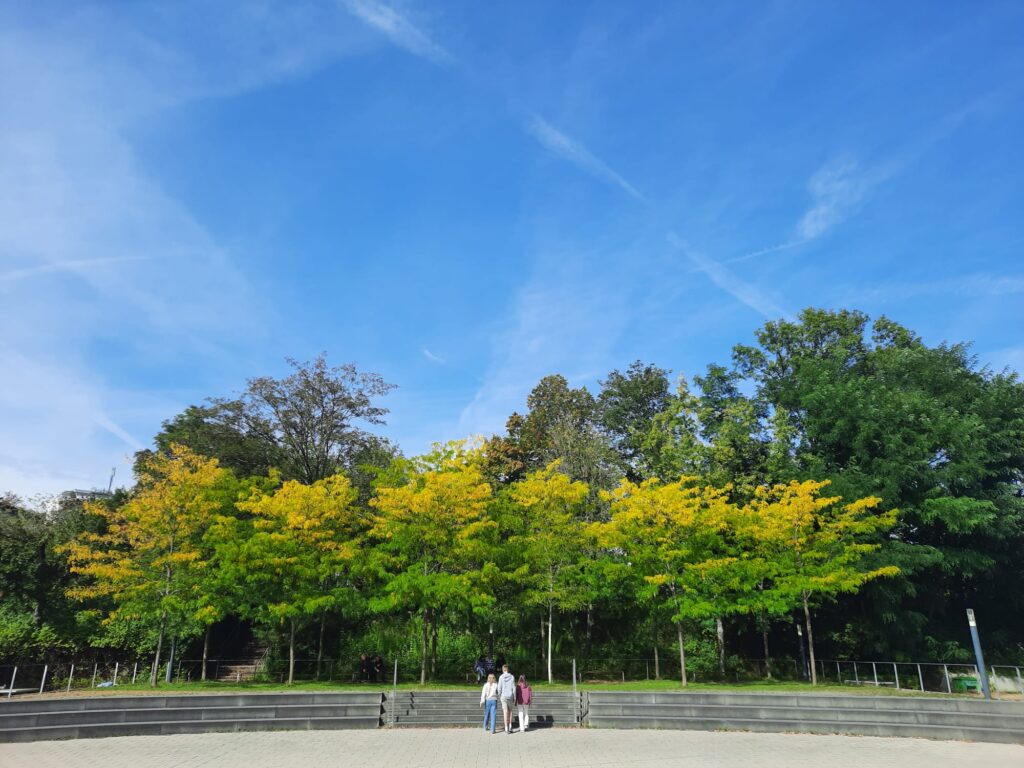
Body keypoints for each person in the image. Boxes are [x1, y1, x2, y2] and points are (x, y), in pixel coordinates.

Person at [496, 663, 516, 734]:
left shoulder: (501, 677)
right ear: (508, 669)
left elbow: (499, 688)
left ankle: (506, 728)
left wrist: (499, 695)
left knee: (505, 712)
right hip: (510, 696)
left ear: (503, 669)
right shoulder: (512, 677)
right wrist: (515, 697)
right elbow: (514, 688)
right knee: (510, 711)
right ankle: (510, 726)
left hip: (503, 696)